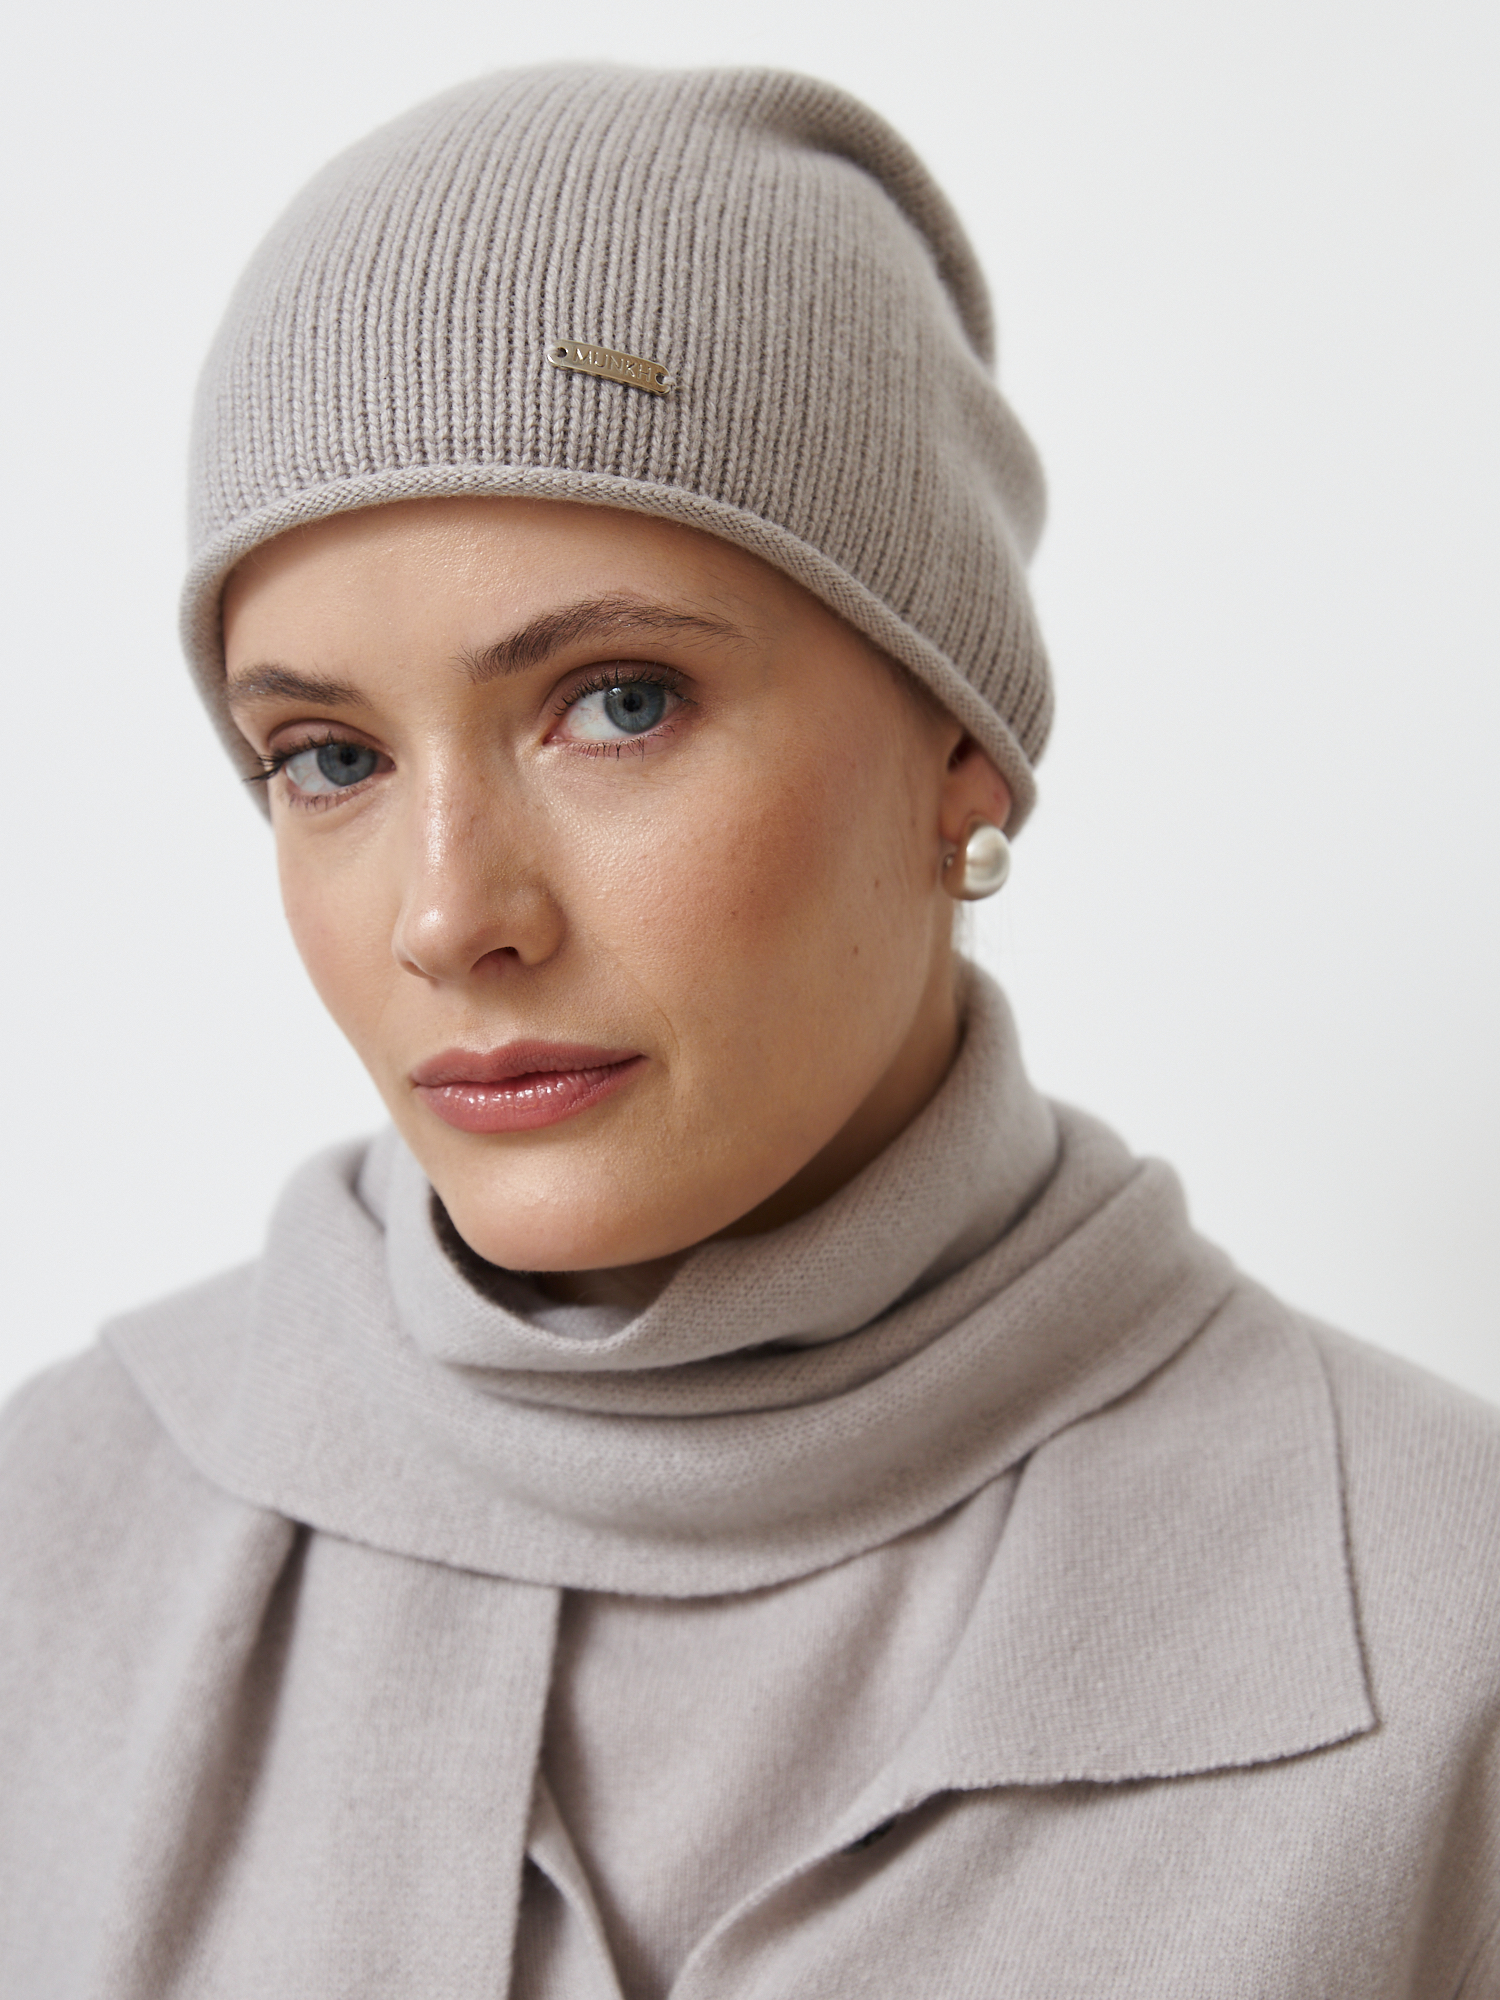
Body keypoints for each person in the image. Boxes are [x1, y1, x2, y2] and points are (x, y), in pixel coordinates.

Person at [1, 63, 1497, 2000]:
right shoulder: (59, 1529)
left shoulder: (1443, 1619)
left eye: (618, 701)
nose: (450, 916)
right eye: (328, 756)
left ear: (964, 749)